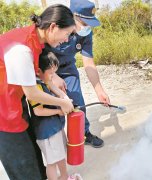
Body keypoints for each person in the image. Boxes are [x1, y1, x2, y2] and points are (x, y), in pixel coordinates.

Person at [0, 4, 75, 179]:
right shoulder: (22, 49)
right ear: (53, 27)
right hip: (4, 113)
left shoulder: (37, 41)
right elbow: (32, 93)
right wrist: (62, 103)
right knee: (24, 168)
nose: (66, 39)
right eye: (67, 34)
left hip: (14, 103)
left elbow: (42, 75)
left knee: (34, 159)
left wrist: (56, 83)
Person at [46, 0, 110, 148]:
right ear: (72, 16)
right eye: (84, 23)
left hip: (68, 69)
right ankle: (57, 141)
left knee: (78, 103)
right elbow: (40, 54)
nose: (87, 27)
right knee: (56, 107)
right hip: (47, 69)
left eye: (89, 24)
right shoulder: (55, 25)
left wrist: (99, 90)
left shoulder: (85, 34)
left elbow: (88, 63)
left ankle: (83, 133)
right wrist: (52, 76)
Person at [29, 50, 82, 180]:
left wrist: (66, 99)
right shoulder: (35, 88)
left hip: (55, 127)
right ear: (38, 71)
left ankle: (64, 177)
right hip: (46, 133)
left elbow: (54, 87)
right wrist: (59, 111)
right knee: (51, 162)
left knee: (60, 155)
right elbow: (38, 111)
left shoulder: (46, 80)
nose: (53, 76)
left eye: (54, 72)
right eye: (51, 73)